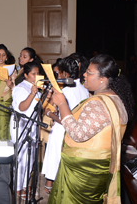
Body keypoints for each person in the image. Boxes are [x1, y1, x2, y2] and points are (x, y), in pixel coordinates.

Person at [48, 54, 134, 204]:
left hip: (84, 173)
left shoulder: (99, 104)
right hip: (93, 167)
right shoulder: (115, 98)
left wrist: (62, 104)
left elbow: (77, 134)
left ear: (103, 79)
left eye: (89, 72)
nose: (84, 74)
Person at [41, 57, 89, 194]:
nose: (59, 76)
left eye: (60, 73)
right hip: (76, 130)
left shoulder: (66, 91)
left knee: (54, 156)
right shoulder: (84, 89)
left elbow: (64, 120)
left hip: (63, 129)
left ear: (66, 74)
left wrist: (49, 113)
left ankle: (49, 186)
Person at [11, 61, 41, 198]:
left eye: (38, 73)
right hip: (21, 124)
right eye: (33, 74)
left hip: (33, 124)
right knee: (21, 157)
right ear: (26, 74)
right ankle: (17, 187)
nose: (36, 76)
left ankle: (25, 184)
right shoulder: (20, 88)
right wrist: (32, 94)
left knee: (31, 157)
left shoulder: (36, 87)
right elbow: (22, 108)